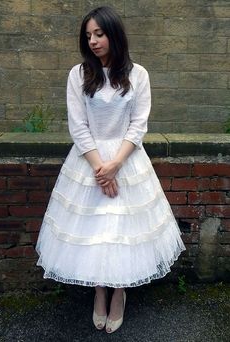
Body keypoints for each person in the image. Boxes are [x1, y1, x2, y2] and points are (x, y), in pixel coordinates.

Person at [35, 6, 186, 334]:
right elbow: (78, 126)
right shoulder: (78, 74)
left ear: (114, 35)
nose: (92, 41)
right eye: (88, 35)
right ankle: (99, 292)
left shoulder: (139, 75)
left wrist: (115, 165)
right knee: (94, 233)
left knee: (123, 234)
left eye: (99, 34)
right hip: (88, 162)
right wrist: (99, 169)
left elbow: (138, 124)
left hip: (127, 160)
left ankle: (120, 293)